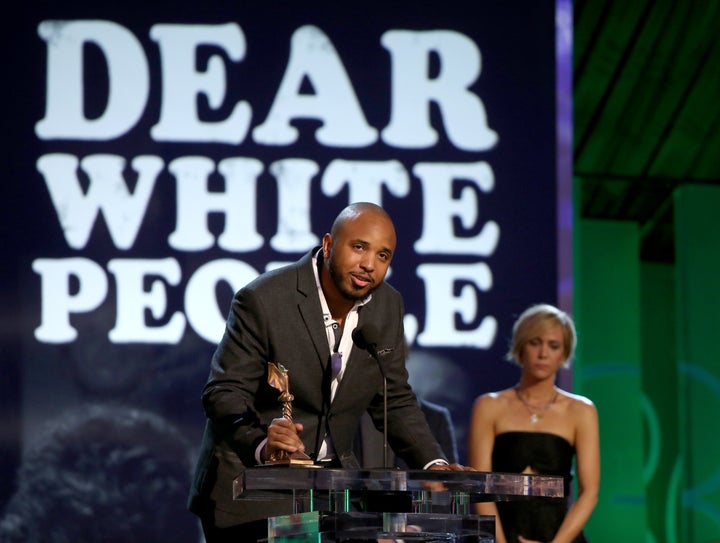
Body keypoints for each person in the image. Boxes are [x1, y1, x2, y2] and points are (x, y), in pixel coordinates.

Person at [188, 202, 470, 543]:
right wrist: (264, 444)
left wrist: (433, 463)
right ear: (328, 245)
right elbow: (224, 392)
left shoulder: (386, 306)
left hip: (332, 493)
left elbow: (393, 396)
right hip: (251, 487)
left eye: (383, 256)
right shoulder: (264, 300)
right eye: (359, 247)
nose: (369, 265)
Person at [467, 304, 600, 543]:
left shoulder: (581, 411)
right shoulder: (489, 406)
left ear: (564, 353)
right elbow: (481, 487)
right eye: (535, 342)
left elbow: (589, 492)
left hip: (559, 534)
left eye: (554, 345)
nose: (543, 354)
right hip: (500, 532)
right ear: (521, 346)